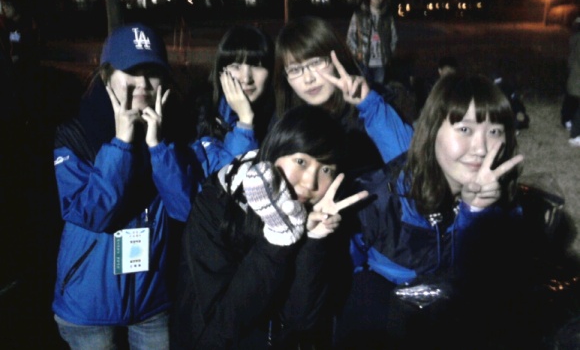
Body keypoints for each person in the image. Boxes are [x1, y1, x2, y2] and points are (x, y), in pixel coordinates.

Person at [333, 73, 529, 348]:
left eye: (494, 131)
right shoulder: (382, 199)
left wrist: (475, 213)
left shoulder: (504, 203)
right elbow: (341, 274)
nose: (481, 148)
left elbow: (483, 289)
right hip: (386, 313)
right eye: (465, 129)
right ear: (433, 129)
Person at [51, 23, 204, 349]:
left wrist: (158, 147)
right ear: (107, 76)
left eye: (153, 73)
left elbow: (185, 209)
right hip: (89, 304)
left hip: (151, 301)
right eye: (132, 72)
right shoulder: (75, 134)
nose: (143, 84)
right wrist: (120, 144)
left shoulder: (176, 131)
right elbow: (92, 214)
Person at [170, 105, 369, 349]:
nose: (310, 182)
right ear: (275, 151)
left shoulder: (321, 214)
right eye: (300, 161)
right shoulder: (218, 203)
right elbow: (223, 324)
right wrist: (278, 238)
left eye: (326, 169)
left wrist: (314, 239)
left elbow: (301, 319)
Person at [274, 15, 413, 174]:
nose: (308, 79)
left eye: (316, 62)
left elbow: (409, 169)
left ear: (337, 57)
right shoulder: (283, 121)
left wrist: (369, 105)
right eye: (295, 70)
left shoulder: (376, 109)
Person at [192, 25, 275, 171]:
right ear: (221, 71)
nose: (246, 78)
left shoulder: (281, 117)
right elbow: (223, 179)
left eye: (257, 65)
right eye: (236, 66)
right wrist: (245, 124)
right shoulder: (201, 117)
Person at [346, 0, 398, 85]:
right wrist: (357, 53)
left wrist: (389, 53)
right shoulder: (359, 15)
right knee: (365, 90)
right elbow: (350, 37)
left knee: (379, 89)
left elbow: (394, 37)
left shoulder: (387, 17)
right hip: (364, 62)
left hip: (381, 62)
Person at [566, 17, 580, 147]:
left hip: (575, 76)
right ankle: (576, 135)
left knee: (574, 103)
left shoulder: (574, 38)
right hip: (577, 77)